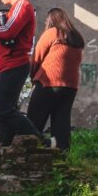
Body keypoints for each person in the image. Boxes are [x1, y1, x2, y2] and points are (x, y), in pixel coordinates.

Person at [0, 0, 44, 147]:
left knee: (6, 111)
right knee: (6, 111)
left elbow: (7, 31)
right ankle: (4, 146)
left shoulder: (22, 6)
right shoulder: (15, 8)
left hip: (13, 65)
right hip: (7, 66)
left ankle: (42, 140)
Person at [27, 8, 85, 151]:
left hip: (49, 83)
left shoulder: (52, 33)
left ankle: (29, 151)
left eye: (47, 20)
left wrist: (32, 76)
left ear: (51, 20)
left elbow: (36, 57)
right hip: (70, 86)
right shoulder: (76, 38)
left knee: (34, 119)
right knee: (61, 120)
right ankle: (62, 153)